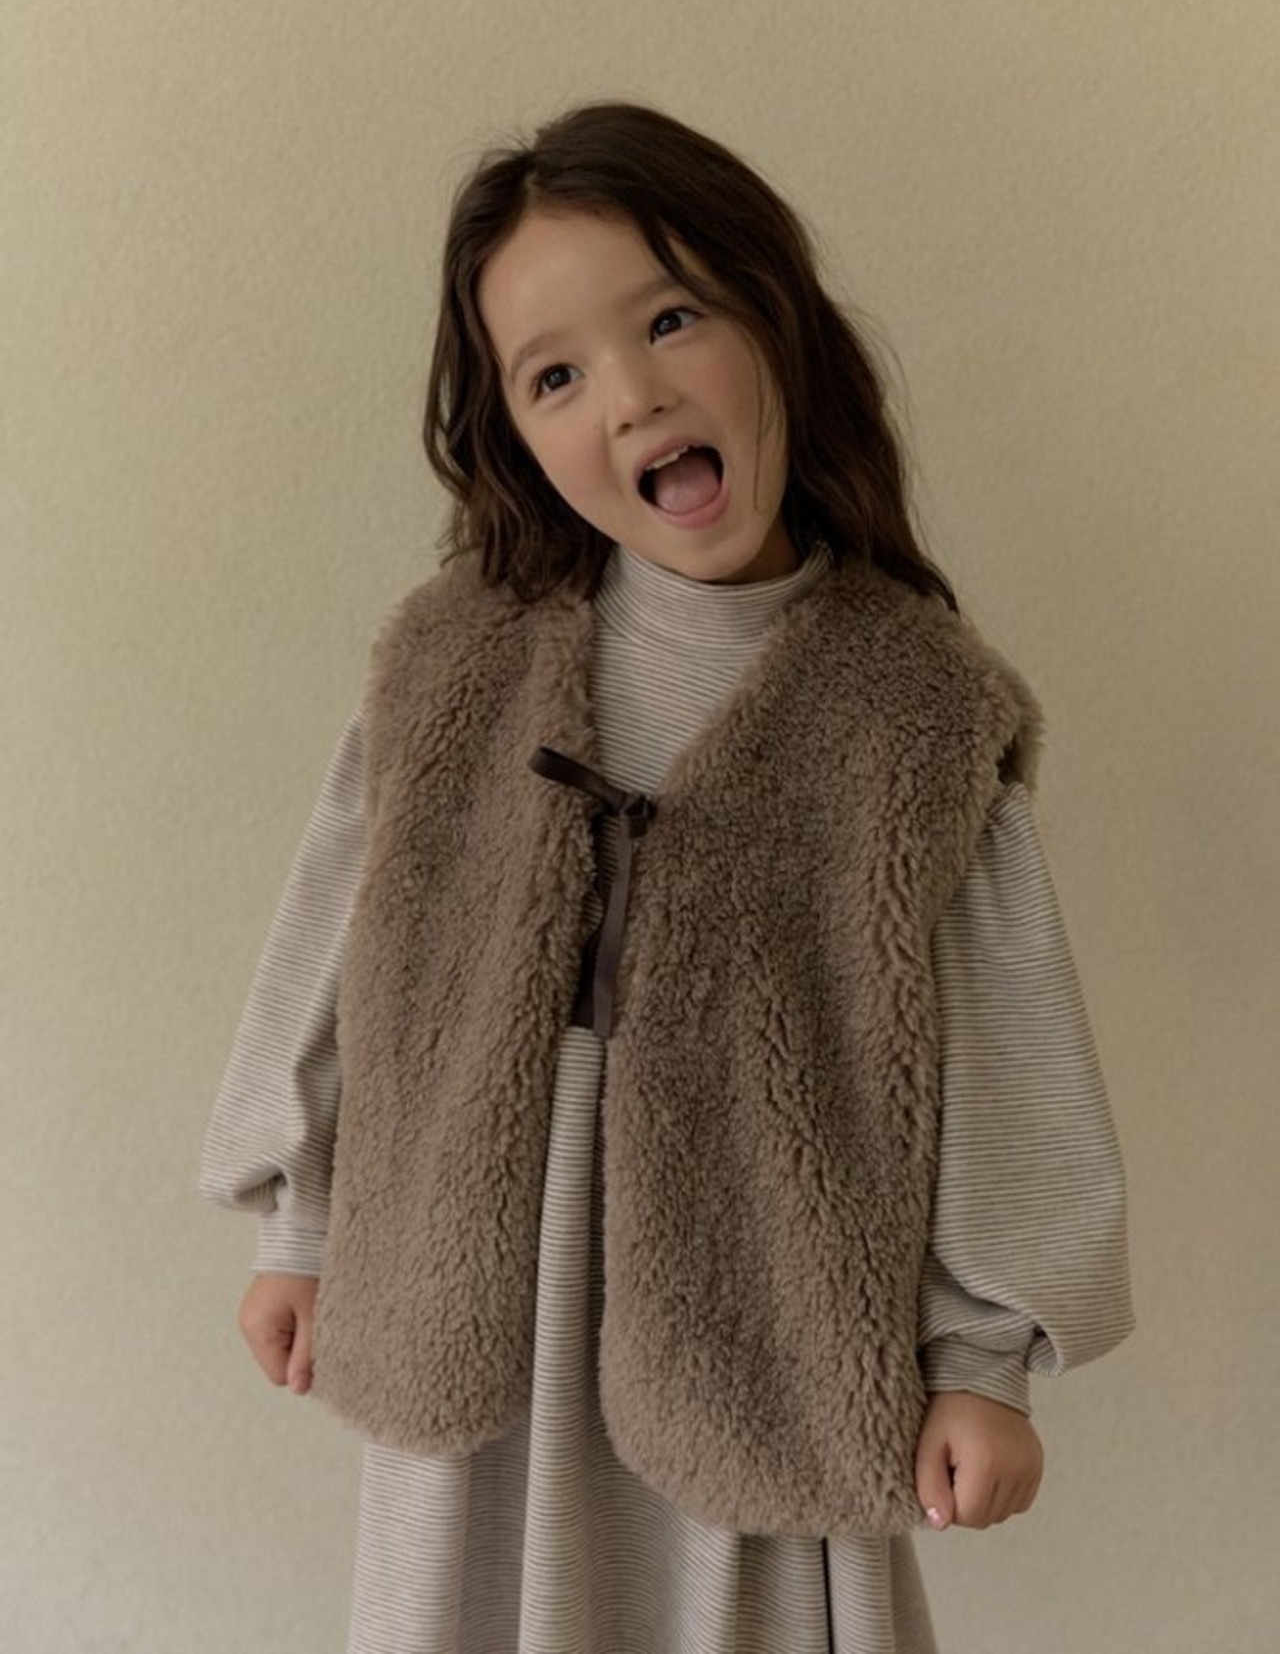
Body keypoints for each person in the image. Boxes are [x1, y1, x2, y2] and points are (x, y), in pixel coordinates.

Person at [200, 100, 1134, 1654]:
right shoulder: (456, 660)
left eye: (672, 318)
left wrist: (982, 1356)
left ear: (777, 322)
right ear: (514, 432)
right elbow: (344, 938)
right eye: (554, 374)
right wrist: (300, 1223)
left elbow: (1004, 1043)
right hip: (474, 1290)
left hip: (769, 1303)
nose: (630, 396)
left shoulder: (916, 706)